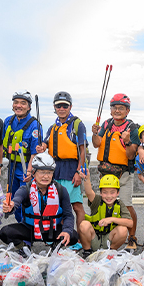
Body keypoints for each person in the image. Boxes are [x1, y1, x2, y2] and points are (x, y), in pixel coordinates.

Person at [91, 93, 140, 248]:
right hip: (105, 172)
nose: (117, 110)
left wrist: (127, 141)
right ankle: (103, 233)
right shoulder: (106, 124)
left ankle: (132, 237)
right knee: (103, 204)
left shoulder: (132, 128)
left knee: (126, 205)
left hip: (123, 173)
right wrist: (94, 133)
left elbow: (131, 154)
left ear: (127, 111)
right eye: (114, 107)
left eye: (121, 108)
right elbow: (96, 143)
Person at [0, 153, 76, 250]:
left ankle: (56, 245)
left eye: (49, 172)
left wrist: (67, 231)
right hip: (30, 229)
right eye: (42, 172)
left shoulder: (61, 190)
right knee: (5, 232)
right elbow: (16, 201)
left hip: (53, 230)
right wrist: (10, 206)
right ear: (34, 173)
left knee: (73, 235)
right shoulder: (25, 189)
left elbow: (68, 215)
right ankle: (24, 246)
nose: (46, 176)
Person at [39, 91, 88, 227]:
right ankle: (60, 236)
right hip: (56, 169)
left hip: (71, 168)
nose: (61, 109)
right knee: (57, 205)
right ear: (54, 108)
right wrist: (41, 147)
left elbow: (82, 150)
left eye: (65, 106)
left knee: (76, 206)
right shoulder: (52, 127)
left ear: (70, 107)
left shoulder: (77, 125)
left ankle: (80, 237)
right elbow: (45, 143)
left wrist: (79, 172)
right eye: (58, 106)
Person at [0, 89, 43, 217]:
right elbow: (2, 144)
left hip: (26, 168)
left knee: (26, 200)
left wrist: (29, 172)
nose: (19, 105)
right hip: (12, 167)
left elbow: (35, 152)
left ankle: (29, 228)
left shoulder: (35, 125)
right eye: (16, 102)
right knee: (12, 199)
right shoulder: (8, 121)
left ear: (29, 107)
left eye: (23, 103)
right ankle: (19, 225)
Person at [78, 168, 131, 254]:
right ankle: (87, 252)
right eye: (105, 192)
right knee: (84, 224)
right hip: (94, 238)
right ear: (101, 193)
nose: (109, 196)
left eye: (112, 192)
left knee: (123, 229)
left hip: (108, 240)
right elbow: (89, 192)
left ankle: (110, 253)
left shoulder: (119, 204)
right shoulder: (97, 201)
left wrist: (111, 219)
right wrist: (86, 178)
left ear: (118, 193)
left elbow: (130, 223)